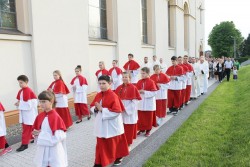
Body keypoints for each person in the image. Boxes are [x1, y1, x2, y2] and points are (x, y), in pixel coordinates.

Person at [90, 75, 129, 167]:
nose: (101, 85)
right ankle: (99, 162)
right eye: (99, 83)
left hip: (112, 125)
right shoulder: (98, 94)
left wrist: (102, 110)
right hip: (101, 124)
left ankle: (118, 157)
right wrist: (95, 109)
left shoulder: (113, 96)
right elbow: (92, 106)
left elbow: (117, 112)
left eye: (104, 83)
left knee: (114, 144)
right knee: (101, 143)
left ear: (110, 84)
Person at [33, 90, 68, 167]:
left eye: (44, 102)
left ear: (51, 102)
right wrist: (36, 134)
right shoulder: (40, 116)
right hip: (43, 149)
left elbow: (60, 136)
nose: (41, 104)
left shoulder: (56, 117)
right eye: (40, 102)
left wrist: (41, 134)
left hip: (54, 150)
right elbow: (37, 131)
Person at [115, 72, 141, 148]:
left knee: (129, 126)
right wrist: (118, 107)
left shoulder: (133, 88)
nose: (124, 78)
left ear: (130, 78)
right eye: (123, 77)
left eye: (126, 77)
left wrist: (126, 109)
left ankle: (128, 141)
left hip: (129, 110)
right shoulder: (119, 87)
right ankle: (121, 141)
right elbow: (116, 99)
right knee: (121, 125)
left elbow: (136, 101)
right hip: (120, 109)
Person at [15, 75, 38, 152]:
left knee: (26, 129)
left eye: (21, 83)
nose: (20, 84)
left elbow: (30, 104)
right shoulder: (21, 91)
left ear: (26, 82)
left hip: (29, 114)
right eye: (19, 83)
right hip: (24, 113)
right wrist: (18, 103)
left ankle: (24, 144)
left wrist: (20, 104)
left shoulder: (28, 91)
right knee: (31, 127)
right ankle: (33, 138)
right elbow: (21, 100)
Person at [136, 67, 158, 137]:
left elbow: (154, 93)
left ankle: (148, 130)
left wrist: (144, 92)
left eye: (144, 73)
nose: (142, 75)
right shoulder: (139, 82)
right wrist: (138, 92)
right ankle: (141, 129)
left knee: (148, 117)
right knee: (141, 117)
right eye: (141, 73)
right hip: (141, 102)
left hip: (149, 103)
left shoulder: (151, 82)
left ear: (148, 73)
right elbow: (136, 91)